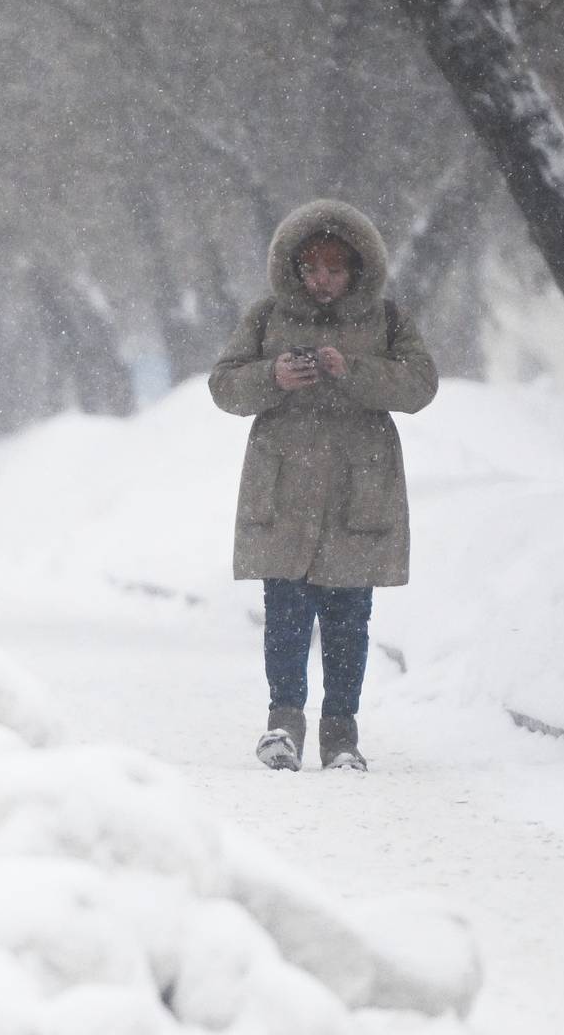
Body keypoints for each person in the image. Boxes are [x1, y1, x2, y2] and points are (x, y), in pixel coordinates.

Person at [208, 199, 438, 771]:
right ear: (295, 267)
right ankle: (282, 726)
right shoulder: (265, 316)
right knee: (285, 615)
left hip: (358, 495)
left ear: (358, 269)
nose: (323, 281)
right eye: (312, 269)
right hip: (282, 493)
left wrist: (352, 370)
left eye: (335, 269)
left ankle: (341, 736)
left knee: (348, 622)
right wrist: (274, 376)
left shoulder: (387, 320)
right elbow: (223, 385)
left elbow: (419, 385)